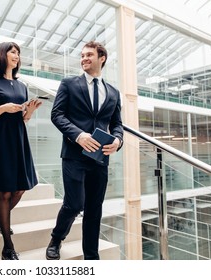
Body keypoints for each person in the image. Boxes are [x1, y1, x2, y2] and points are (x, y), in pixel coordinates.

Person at [46, 41, 123, 260]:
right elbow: (57, 114)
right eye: (82, 55)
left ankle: (91, 256)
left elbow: (117, 124)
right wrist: (79, 136)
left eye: (89, 54)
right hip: (73, 154)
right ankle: (56, 238)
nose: (84, 58)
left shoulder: (113, 92)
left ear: (102, 58)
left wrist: (117, 140)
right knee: (74, 204)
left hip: (100, 158)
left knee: (94, 208)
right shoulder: (69, 84)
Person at [0, 42, 42, 260]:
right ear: (2, 55)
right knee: (4, 192)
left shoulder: (22, 86)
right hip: (0, 140)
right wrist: (2, 108)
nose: (16, 55)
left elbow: (22, 118)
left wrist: (29, 112)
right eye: (12, 51)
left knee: (20, 188)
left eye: (18, 52)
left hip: (18, 139)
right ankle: (7, 247)